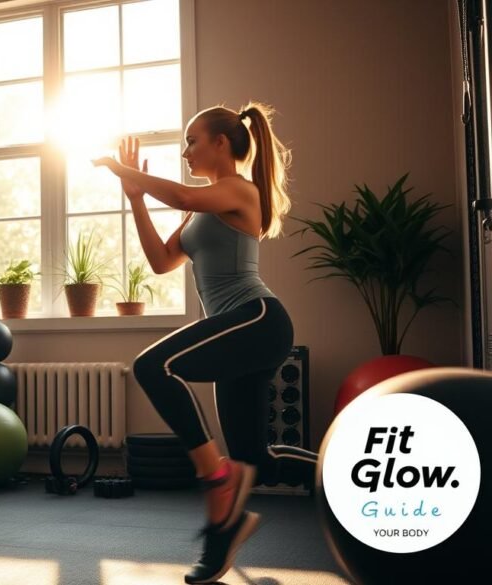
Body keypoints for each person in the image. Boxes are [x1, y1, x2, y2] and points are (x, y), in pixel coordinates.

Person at [93, 103, 316, 584]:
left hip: (257, 318)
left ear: (221, 142)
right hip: (241, 330)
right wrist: (135, 197)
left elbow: (179, 196)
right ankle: (350, 474)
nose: (186, 151)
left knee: (153, 366)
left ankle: (215, 481)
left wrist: (123, 169)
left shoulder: (239, 189)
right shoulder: (204, 208)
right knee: (255, 461)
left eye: (192, 141)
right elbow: (160, 261)